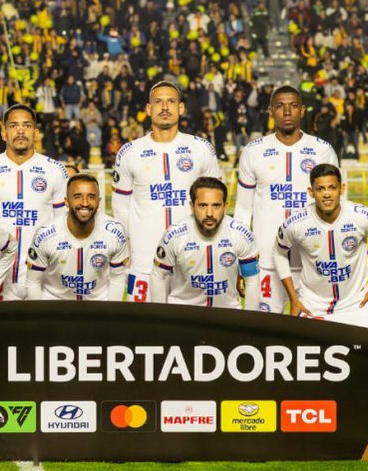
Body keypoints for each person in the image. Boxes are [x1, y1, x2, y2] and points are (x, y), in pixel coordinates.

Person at [112, 81, 222, 303]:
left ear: (181, 108)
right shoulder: (129, 152)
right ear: (148, 109)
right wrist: (128, 251)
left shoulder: (201, 148)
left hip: (193, 258)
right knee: (146, 331)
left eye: (171, 101)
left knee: (193, 331)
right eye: (158, 102)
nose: (164, 107)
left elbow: (217, 203)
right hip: (144, 260)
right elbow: (120, 209)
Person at [234, 85, 339, 313]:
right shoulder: (254, 152)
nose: (287, 112)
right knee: (264, 331)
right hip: (266, 261)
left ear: (302, 110)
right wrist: (239, 260)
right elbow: (243, 209)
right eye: (280, 106)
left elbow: (336, 208)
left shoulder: (322, 151)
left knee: (312, 334)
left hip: (311, 261)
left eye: (293, 106)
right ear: (271, 111)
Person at [273, 164, 368, 329]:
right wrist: (293, 298)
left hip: (356, 306)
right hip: (312, 306)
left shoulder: (361, 216)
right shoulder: (296, 223)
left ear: (342, 189)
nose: (327, 194)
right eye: (320, 189)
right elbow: (278, 252)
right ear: (311, 192)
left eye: (332, 187)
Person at [0, 104, 68, 300]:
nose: (21, 130)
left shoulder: (55, 170)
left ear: (36, 133)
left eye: (27, 125)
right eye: (14, 125)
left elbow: (63, 229)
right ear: (4, 133)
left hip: (43, 276)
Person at [148, 176, 259, 308]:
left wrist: (249, 323)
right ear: (192, 206)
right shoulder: (174, 235)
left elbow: (252, 280)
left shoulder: (242, 234)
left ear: (225, 206)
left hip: (228, 315)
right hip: (183, 314)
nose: (210, 213)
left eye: (216, 205)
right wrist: (160, 317)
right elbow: (158, 275)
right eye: (202, 205)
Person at [25, 173, 129, 301]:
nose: (85, 203)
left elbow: (117, 278)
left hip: (98, 308)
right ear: (67, 201)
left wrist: (110, 316)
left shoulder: (115, 233)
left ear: (98, 201)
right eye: (77, 197)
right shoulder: (45, 235)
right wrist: (40, 318)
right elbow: (32, 282)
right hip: (55, 308)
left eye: (91, 197)